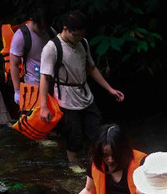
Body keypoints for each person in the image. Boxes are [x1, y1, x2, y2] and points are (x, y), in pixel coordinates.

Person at [38, 10, 124, 173]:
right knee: (74, 133)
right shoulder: (52, 48)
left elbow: (91, 68)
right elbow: (45, 78)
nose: (78, 39)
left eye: (81, 35)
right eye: (75, 35)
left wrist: (110, 89)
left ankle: (98, 160)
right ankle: (73, 163)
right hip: (66, 98)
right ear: (65, 29)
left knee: (97, 130)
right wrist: (44, 106)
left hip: (85, 94)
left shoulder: (83, 43)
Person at [7, 8, 50, 105]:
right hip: (33, 86)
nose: (43, 30)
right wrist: (17, 91)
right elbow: (14, 64)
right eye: (40, 27)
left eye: (45, 27)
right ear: (32, 20)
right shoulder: (21, 36)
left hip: (51, 83)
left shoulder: (50, 32)